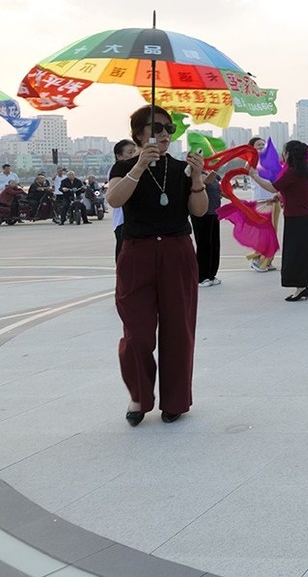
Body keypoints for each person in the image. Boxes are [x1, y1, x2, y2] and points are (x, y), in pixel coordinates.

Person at [105, 105, 207, 426]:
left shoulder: (180, 169)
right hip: (137, 252)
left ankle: (175, 399)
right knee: (136, 332)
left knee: (179, 329)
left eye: (169, 128)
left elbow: (199, 211)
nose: (164, 134)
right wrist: (138, 167)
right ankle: (139, 395)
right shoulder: (123, 168)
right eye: (156, 128)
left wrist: (197, 178)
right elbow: (115, 200)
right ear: (138, 134)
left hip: (177, 251)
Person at [260, 141, 308, 302]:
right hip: (305, 217)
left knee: (294, 253)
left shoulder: (292, 172)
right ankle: (303, 285)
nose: (282, 154)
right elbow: (295, 191)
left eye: (284, 151)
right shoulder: (305, 170)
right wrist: (281, 196)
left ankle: (300, 287)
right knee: (302, 252)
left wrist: (254, 175)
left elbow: (272, 187)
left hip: (296, 218)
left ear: (289, 154)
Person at [246, 138, 280, 272]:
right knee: (263, 234)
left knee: (272, 233)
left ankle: (267, 260)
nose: (261, 147)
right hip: (261, 202)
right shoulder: (251, 162)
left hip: (273, 200)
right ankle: (257, 260)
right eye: (258, 145)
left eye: (263, 145)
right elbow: (246, 169)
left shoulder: (271, 162)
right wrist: (255, 156)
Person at [192, 168, 223, 287]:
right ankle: (201, 276)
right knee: (204, 245)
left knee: (214, 245)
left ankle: (211, 274)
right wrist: (215, 170)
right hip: (202, 213)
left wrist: (239, 202)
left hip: (214, 213)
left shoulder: (214, 175)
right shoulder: (197, 172)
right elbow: (204, 182)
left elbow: (221, 191)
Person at [109, 140, 137, 260]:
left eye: (135, 152)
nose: (134, 155)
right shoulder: (116, 171)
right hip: (122, 220)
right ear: (119, 156)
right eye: (130, 152)